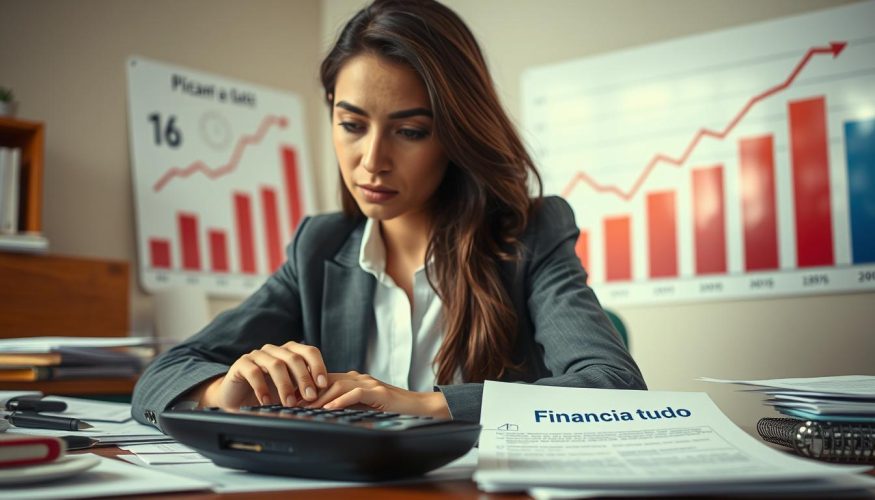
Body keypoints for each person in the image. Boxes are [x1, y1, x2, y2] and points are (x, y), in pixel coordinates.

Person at [132, 0, 646, 430]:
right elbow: (159, 378)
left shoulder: (532, 234)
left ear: (457, 133)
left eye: (411, 131)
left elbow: (615, 387)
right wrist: (222, 392)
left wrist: (424, 405)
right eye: (352, 124)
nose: (372, 160)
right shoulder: (319, 248)